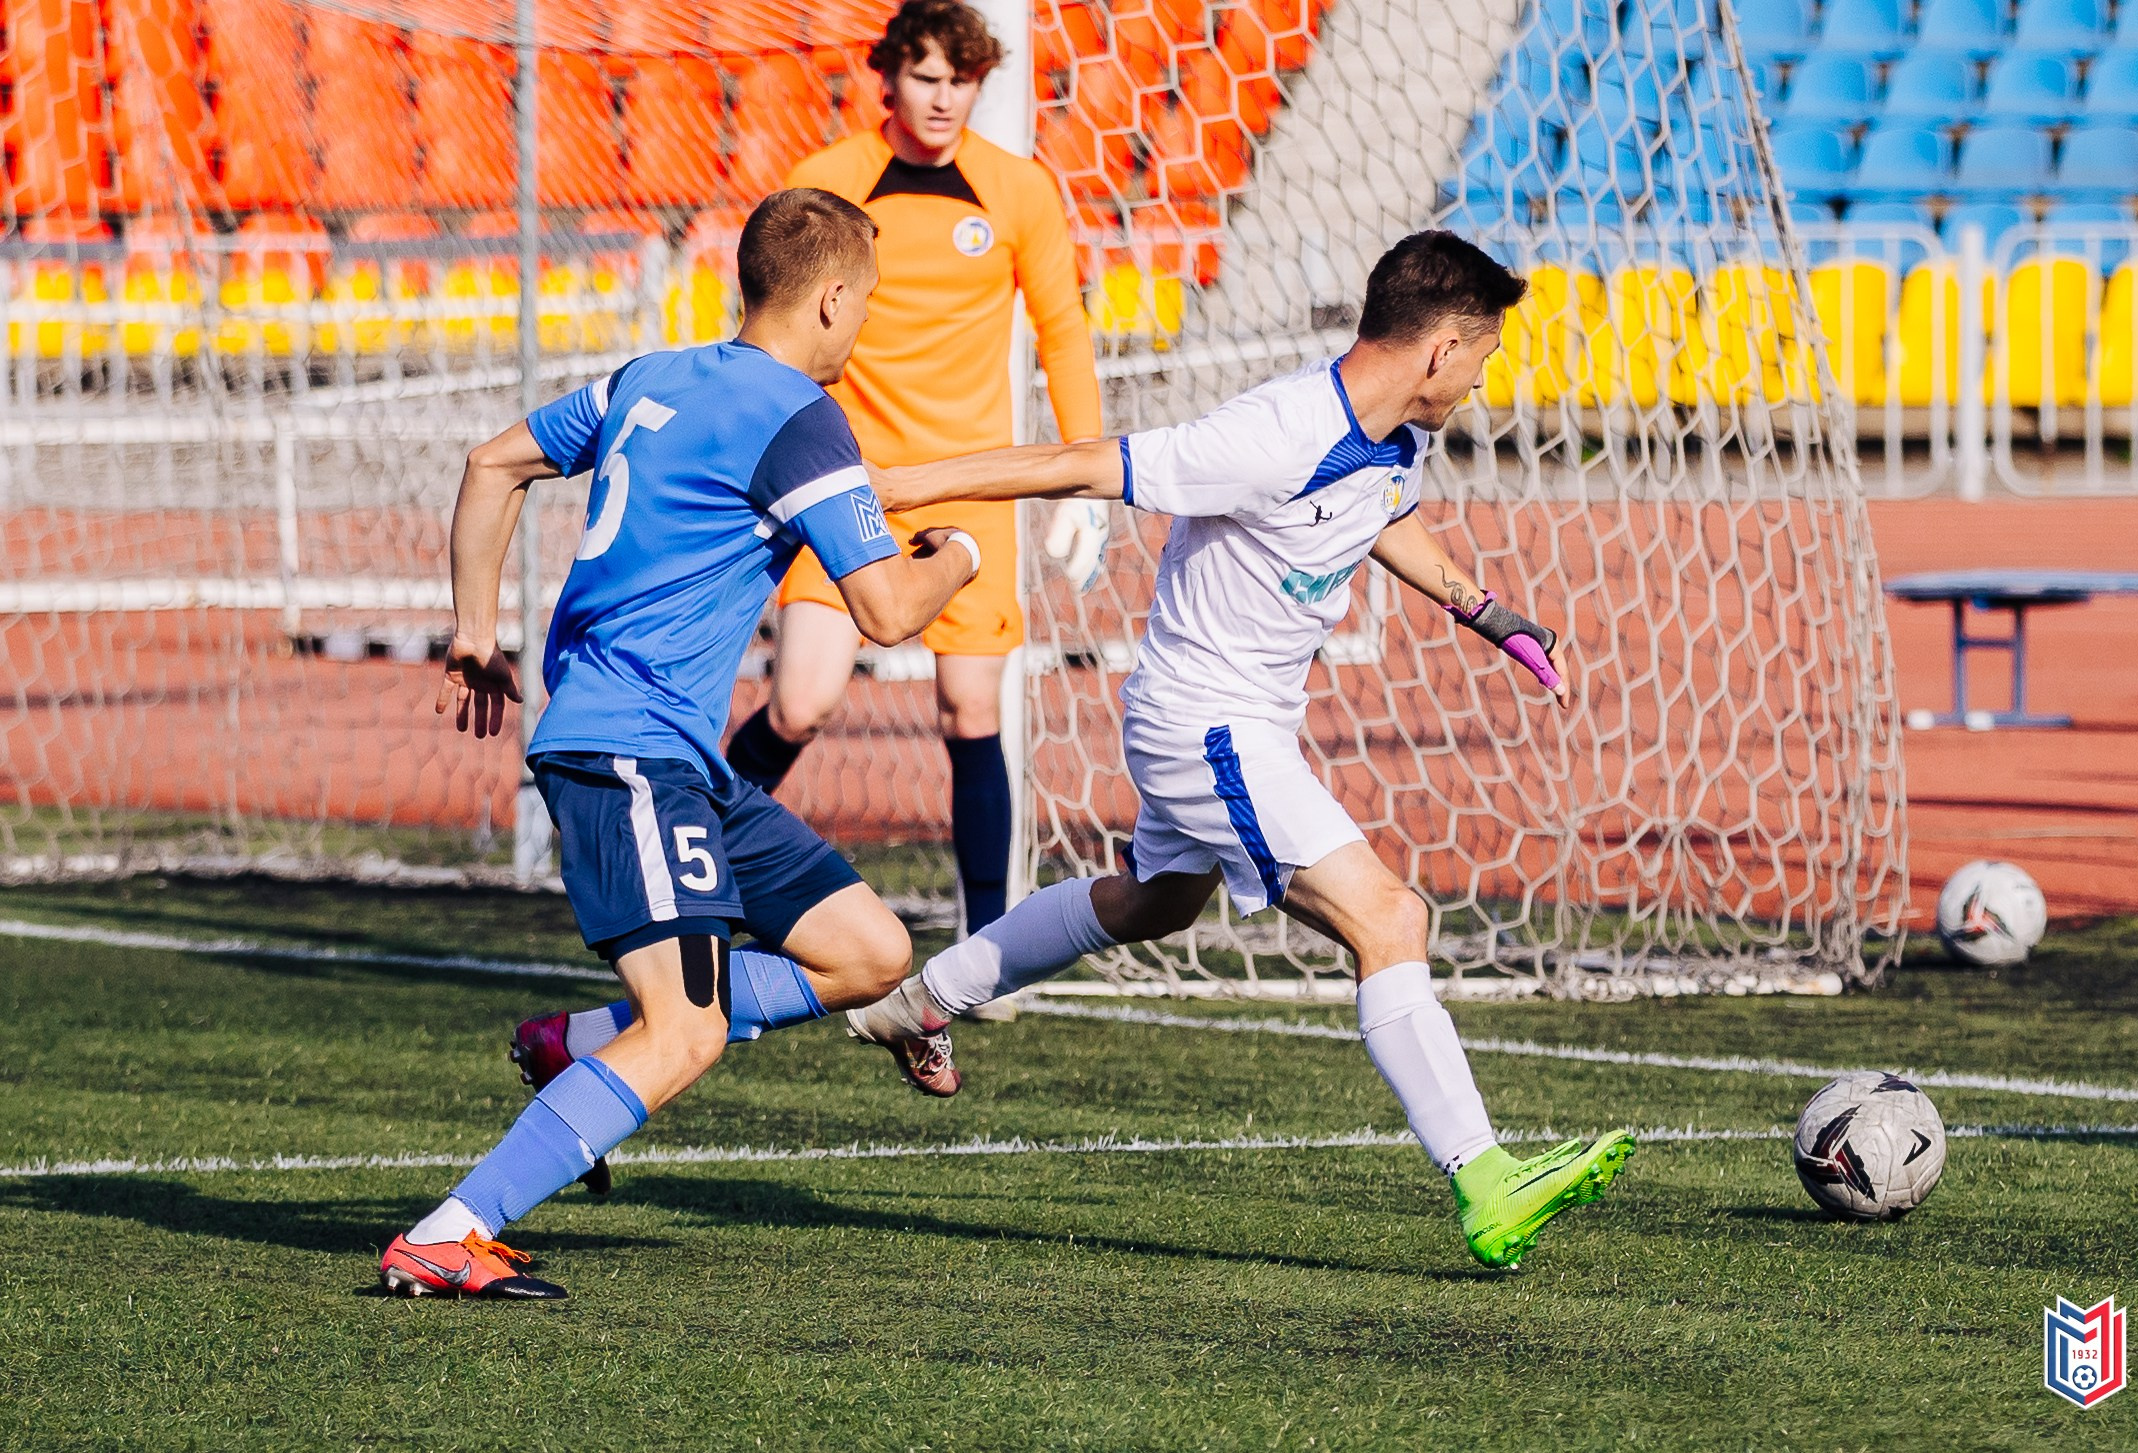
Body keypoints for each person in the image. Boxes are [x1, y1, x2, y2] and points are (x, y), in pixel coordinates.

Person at [846, 231, 1636, 1270]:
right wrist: (894, 490)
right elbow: (1080, 465)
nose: (1481, 382)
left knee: (1150, 903)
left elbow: (1380, 515)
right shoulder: (1273, 431)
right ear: (1441, 346)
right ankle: (1486, 1179)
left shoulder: (1395, 428)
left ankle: (920, 1000)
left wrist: (1488, 614)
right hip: (1205, 722)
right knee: (1391, 915)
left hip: (1233, 719)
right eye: (1482, 359)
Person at [377, 189, 979, 1300]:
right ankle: (449, 1230)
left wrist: (474, 630)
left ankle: (577, 1045)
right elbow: (890, 611)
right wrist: (960, 556)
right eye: (866, 308)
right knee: (690, 1028)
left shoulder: (648, 377)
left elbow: (489, 461)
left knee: (869, 953)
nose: (862, 330)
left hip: (671, 762)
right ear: (835, 298)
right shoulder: (798, 416)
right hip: (627, 754)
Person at [723, 0, 1105, 942]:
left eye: (962, 81)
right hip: (836, 482)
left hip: (972, 488)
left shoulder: (1018, 192)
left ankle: (990, 949)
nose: (943, 99)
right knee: (802, 702)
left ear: (982, 85)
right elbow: (769, 327)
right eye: (926, 78)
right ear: (888, 77)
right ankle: (698, 873)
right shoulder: (828, 182)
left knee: (972, 710)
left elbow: (1063, 333)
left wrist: (1083, 476)